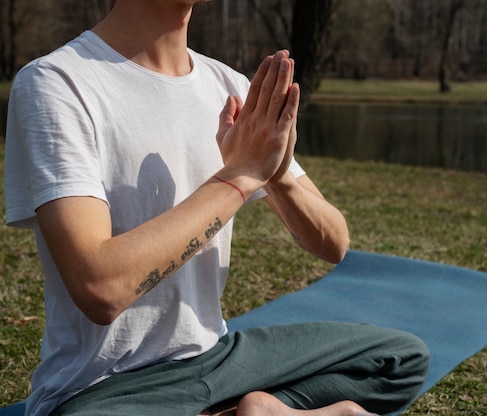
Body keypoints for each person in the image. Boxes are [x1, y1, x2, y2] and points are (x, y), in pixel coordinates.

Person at [3, 1, 430, 415]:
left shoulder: (230, 87)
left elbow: (334, 243)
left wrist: (276, 174)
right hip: (106, 386)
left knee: (398, 359)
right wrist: (239, 177)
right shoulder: (57, 82)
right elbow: (99, 288)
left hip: (217, 359)